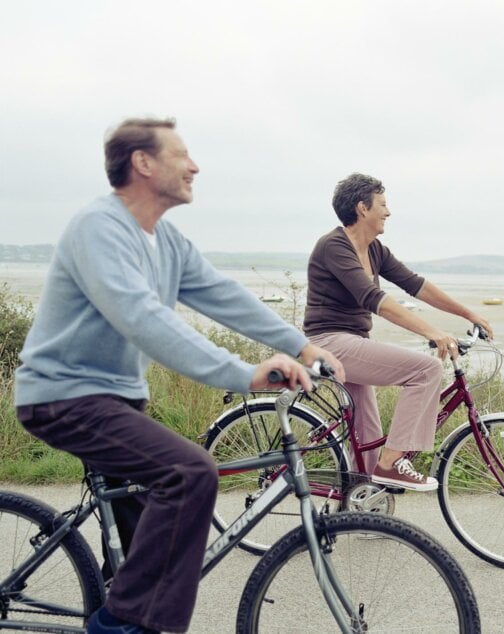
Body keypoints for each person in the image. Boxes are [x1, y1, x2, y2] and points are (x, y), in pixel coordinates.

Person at [14, 117, 343, 634]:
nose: (195, 165)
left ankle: (122, 604)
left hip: (117, 401)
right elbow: (142, 316)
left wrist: (301, 345)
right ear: (143, 163)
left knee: (146, 538)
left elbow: (222, 294)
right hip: (65, 397)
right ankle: (120, 627)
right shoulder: (99, 227)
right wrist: (242, 373)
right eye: (181, 154)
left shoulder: (165, 241)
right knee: (189, 474)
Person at [303, 173, 493, 491]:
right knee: (426, 369)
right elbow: (374, 299)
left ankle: (360, 503)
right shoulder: (334, 246)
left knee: (368, 435)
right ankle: (392, 465)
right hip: (329, 343)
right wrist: (433, 332)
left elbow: (415, 285)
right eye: (383, 204)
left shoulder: (375, 249)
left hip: (353, 343)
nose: (388, 212)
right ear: (363, 208)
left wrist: (467, 312)